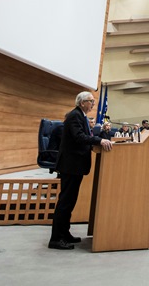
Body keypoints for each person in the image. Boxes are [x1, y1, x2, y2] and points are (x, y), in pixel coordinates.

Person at [49, 92, 113, 250]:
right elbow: (79, 137)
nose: (93, 104)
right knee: (65, 202)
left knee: (70, 201)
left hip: (75, 165)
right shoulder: (74, 116)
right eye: (91, 101)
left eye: (93, 101)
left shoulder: (80, 116)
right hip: (70, 165)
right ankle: (56, 239)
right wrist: (99, 140)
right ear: (82, 102)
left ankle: (65, 233)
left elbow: (82, 137)